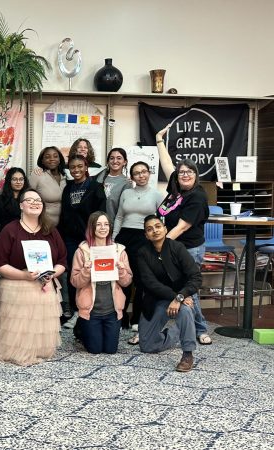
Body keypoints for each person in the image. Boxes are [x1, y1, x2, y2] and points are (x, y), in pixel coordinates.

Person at [0, 188, 67, 366]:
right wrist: (23, 275)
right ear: (21, 205)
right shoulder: (10, 230)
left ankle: (38, 350)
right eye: (30, 200)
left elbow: (62, 260)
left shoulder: (50, 229)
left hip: (44, 285)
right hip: (17, 285)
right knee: (15, 335)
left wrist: (52, 274)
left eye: (38, 200)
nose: (35, 203)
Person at [156, 125, 211, 345]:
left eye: (190, 171)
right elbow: (168, 164)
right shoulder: (176, 189)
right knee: (180, 287)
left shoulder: (196, 196)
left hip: (188, 247)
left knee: (189, 288)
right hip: (173, 245)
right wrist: (159, 139)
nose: (185, 174)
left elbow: (182, 227)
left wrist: (160, 246)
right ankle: (191, 326)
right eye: (182, 172)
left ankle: (200, 329)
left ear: (196, 176)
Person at [136, 215, 202, 372]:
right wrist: (174, 297)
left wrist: (180, 297)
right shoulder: (142, 253)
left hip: (181, 297)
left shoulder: (177, 248)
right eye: (149, 229)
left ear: (165, 229)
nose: (155, 231)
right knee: (147, 346)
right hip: (155, 300)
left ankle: (187, 353)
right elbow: (150, 283)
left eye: (158, 226)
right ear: (146, 235)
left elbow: (196, 277)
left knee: (185, 311)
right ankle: (177, 332)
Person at [71, 211, 132, 354]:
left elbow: (127, 282)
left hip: (112, 310)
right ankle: (81, 327)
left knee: (111, 350)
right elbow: (75, 282)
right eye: (98, 224)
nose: (103, 228)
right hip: (91, 310)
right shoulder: (82, 251)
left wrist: (122, 270)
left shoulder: (119, 250)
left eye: (106, 224)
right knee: (95, 350)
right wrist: (86, 270)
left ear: (110, 227)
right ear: (91, 227)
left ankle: (92, 329)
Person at [113, 161, 163, 332]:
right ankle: (121, 318)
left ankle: (137, 318)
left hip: (144, 239)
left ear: (149, 173)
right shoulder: (126, 192)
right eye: (137, 173)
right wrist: (113, 239)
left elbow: (161, 221)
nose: (141, 175)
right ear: (132, 176)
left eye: (144, 172)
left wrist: (158, 241)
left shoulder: (157, 195)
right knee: (122, 278)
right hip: (124, 237)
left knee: (141, 281)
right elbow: (119, 217)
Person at [57, 154, 106, 328]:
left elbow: (101, 213)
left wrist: (97, 236)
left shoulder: (96, 187)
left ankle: (91, 309)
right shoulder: (68, 188)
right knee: (74, 274)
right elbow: (64, 214)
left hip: (90, 238)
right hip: (70, 238)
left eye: (79, 166)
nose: (76, 170)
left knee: (92, 273)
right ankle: (75, 311)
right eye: (72, 168)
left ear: (86, 167)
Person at [28, 146, 67, 227]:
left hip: (63, 227)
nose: (52, 159)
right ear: (42, 161)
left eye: (55, 156)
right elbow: (27, 199)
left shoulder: (65, 176)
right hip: (42, 225)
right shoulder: (37, 175)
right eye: (47, 157)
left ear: (59, 159)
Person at [0, 167, 29, 245]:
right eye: (14, 179)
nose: (18, 182)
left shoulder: (29, 199)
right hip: (6, 239)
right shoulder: (0, 200)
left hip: (26, 239)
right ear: (9, 181)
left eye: (21, 179)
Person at [94, 148, 132, 223]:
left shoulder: (126, 183)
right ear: (108, 161)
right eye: (112, 158)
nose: (115, 161)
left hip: (112, 225)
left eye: (119, 158)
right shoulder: (99, 177)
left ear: (125, 162)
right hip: (95, 224)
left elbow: (124, 210)